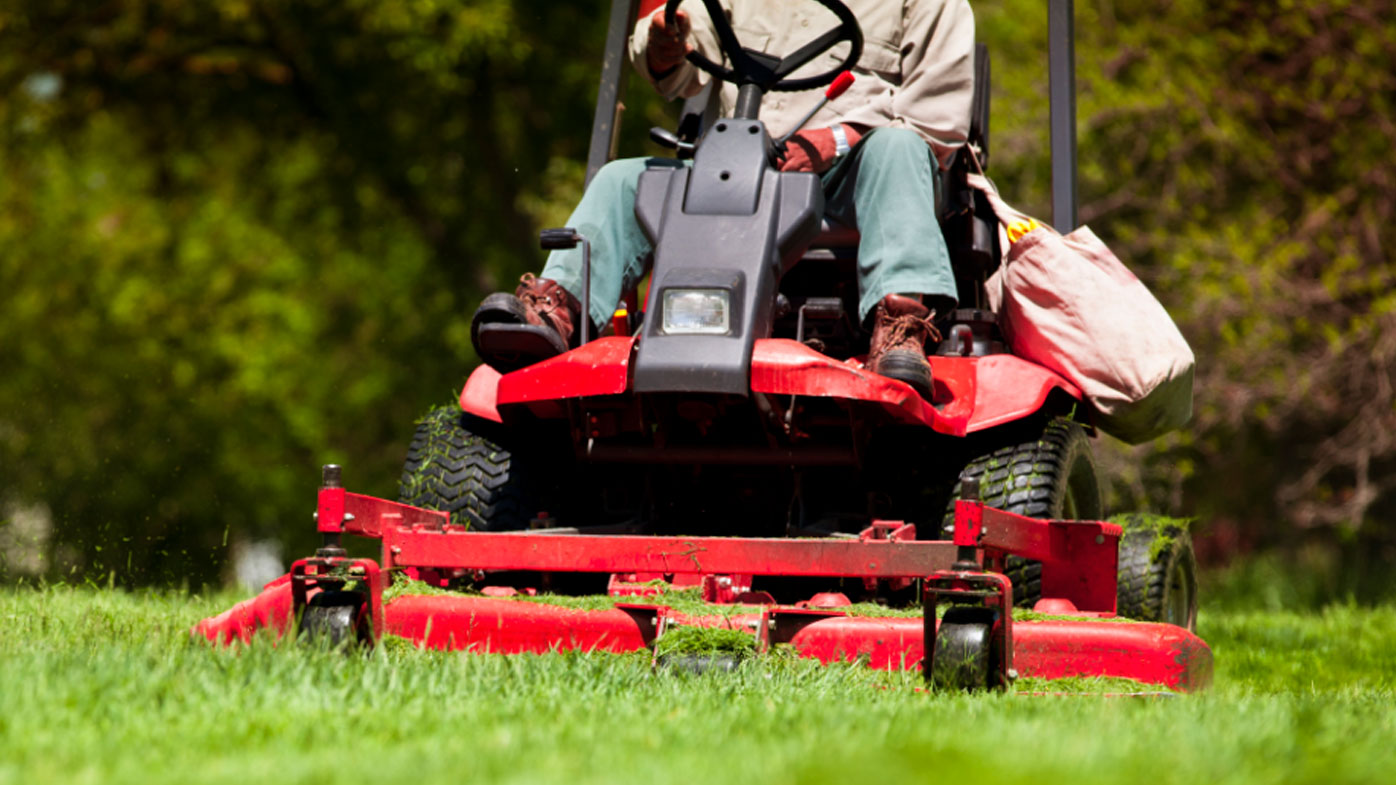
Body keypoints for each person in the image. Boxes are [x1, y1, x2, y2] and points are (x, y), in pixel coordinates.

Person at [472, 0, 975, 396]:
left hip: (856, 170)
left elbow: (938, 120)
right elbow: (686, 50)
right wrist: (665, 45)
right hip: (743, 163)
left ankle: (900, 324)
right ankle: (558, 312)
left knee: (899, 145)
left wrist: (837, 139)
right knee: (625, 178)